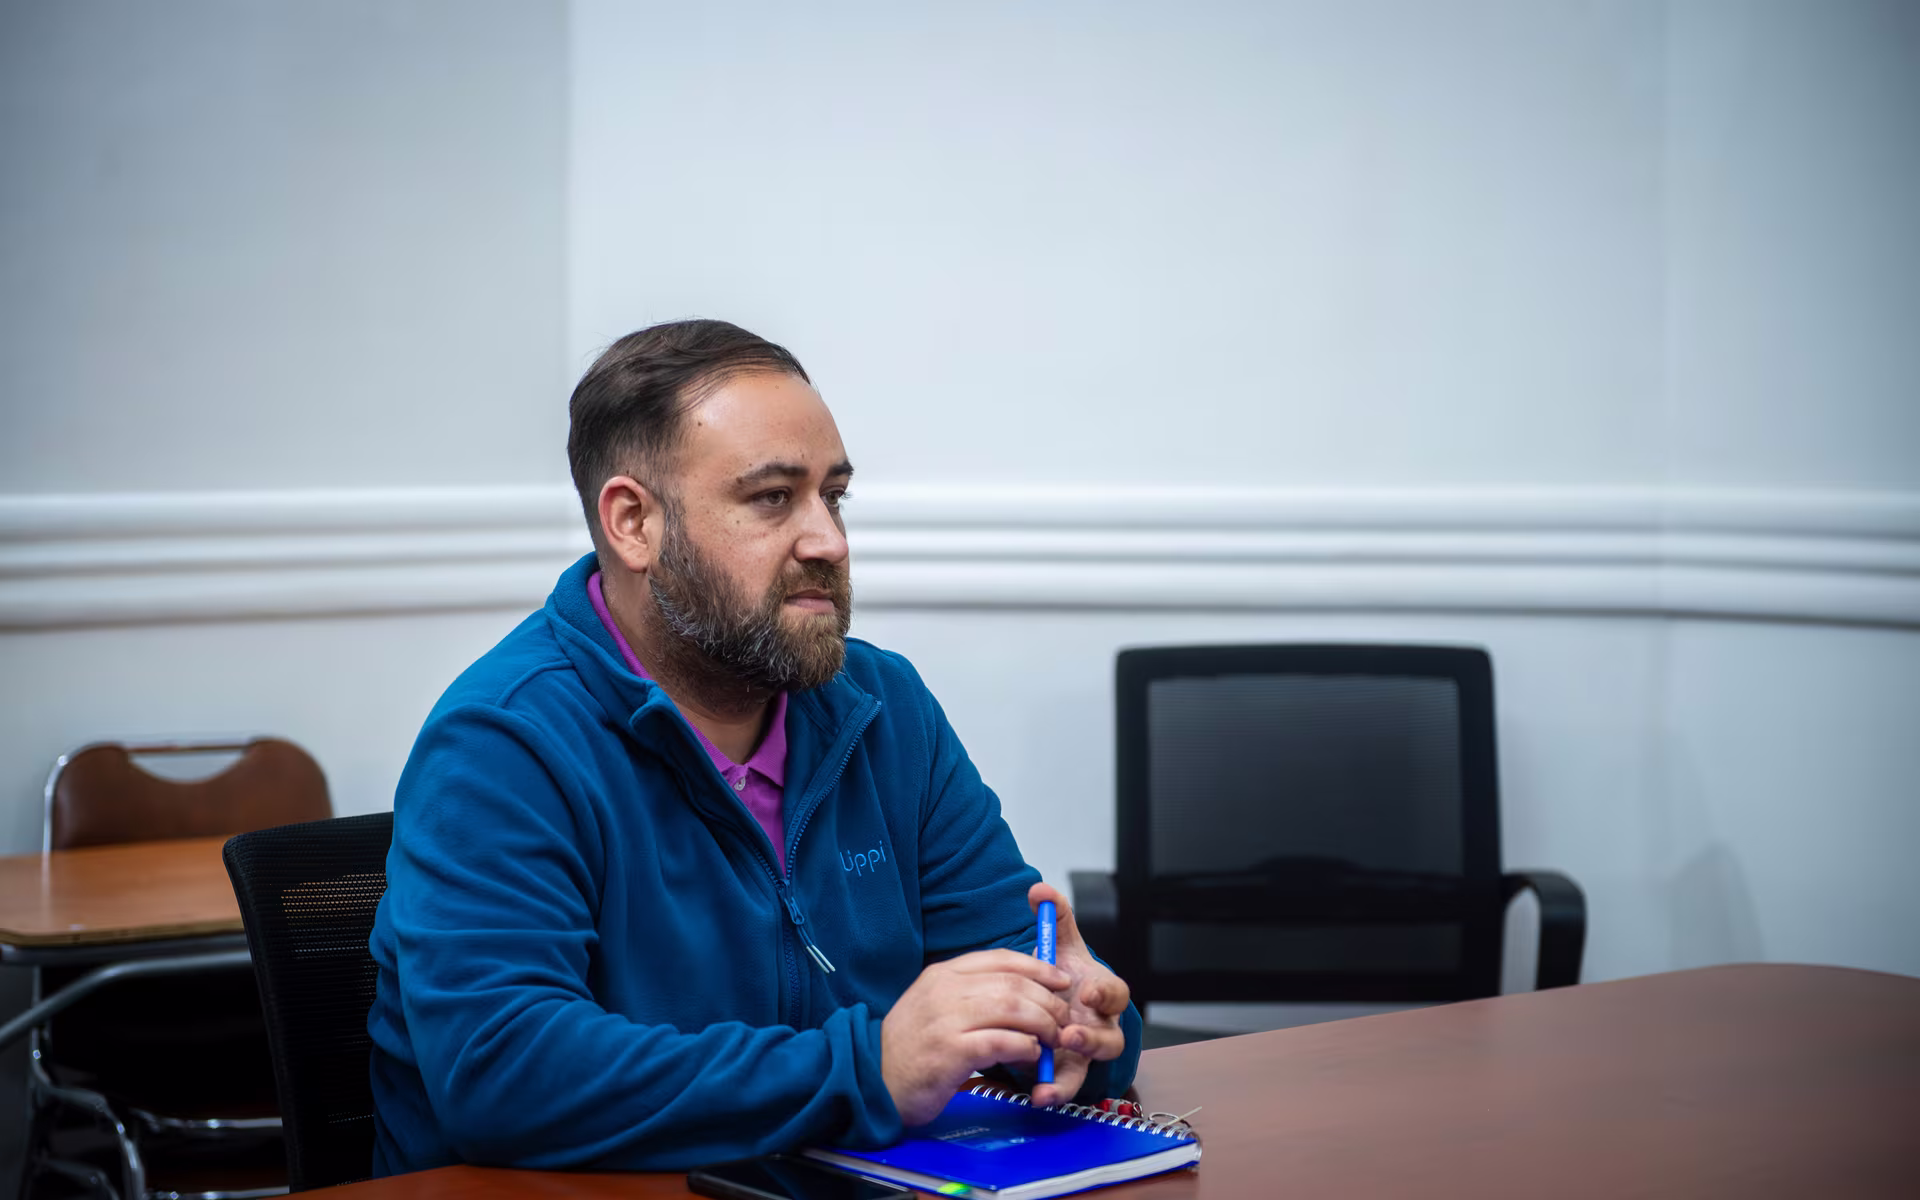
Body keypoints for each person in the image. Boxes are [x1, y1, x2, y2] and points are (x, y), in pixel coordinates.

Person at [366, 319, 1141, 1174]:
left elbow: (1015, 967)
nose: (829, 541)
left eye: (833, 496)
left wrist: (1074, 1023)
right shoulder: (503, 741)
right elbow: (502, 1072)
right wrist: (870, 1069)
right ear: (633, 523)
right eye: (773, 498)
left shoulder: (886, 709)